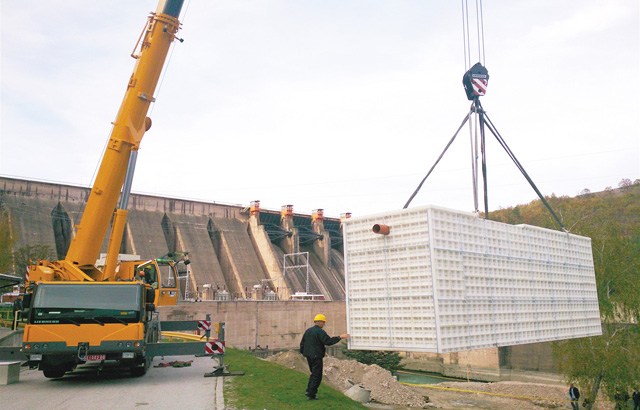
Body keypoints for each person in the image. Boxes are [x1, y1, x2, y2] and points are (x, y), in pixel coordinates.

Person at [299, 314, 349, 400]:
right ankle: (311, 394)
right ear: (320, 322)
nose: (324, 324)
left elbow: (302, 343)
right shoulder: (320, 332)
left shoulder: (308, 331)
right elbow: (328, 341)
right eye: (323, 322)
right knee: (317, 376)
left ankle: (309, 391)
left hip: (308, 355)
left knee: (313, 374)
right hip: (316, 356)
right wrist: (339, 337)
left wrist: (303, 352)